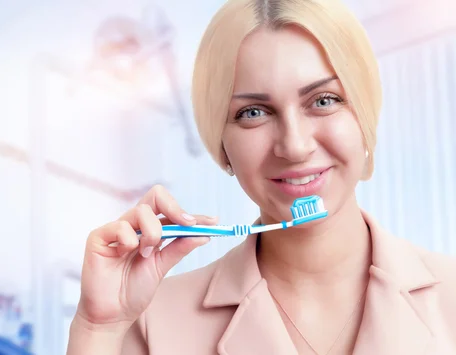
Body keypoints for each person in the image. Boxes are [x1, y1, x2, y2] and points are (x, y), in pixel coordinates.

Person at [66, 0, 456, 354]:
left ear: (364, 117)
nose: (295, 145)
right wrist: (99, 330)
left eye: (323, 101)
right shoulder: (155, 323)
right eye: (254, 112)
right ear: (222, 144)